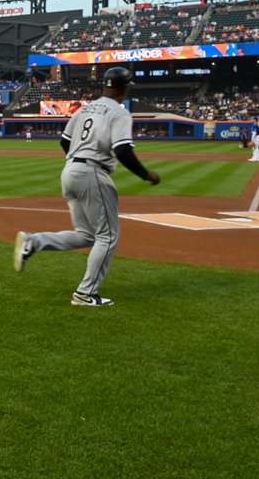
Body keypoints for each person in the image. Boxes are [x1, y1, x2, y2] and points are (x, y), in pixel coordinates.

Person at [12, 67, 161, 307]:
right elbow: (122, 149)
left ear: (105, 86)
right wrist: (146, 174)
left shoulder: (84, 109)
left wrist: (78, 163)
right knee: (108, 236)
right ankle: (85, 293)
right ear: (124, 88)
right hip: (92, 172)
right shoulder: (120, 113)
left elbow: (64, 141)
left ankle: (34, 242)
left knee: (87, 235)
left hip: (70, 171)